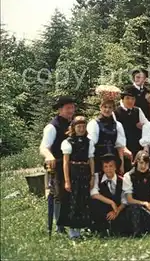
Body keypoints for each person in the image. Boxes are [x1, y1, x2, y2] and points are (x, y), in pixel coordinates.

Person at [39, 95, 76, 233]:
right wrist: (49, 156)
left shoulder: (74, 124)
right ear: (60, 110)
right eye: (68, 108)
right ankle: (59, 226)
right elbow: (44, 147)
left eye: (72, 108)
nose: (71, 110)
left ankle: (74, 223)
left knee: (73, 194)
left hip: (73, 164)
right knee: (59, 196)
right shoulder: (52, 126)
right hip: (58, 165)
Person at [61, 116, 94, 239]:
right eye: (78, 126)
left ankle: (84, 226)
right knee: (73, 199)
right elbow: (65, 162)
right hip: (74, 172)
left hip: (85, 171)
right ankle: (73, 230)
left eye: (83, 126)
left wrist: (92, 176)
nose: (81, 129)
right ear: (74, 128)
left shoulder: (89, 142)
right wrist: (67, 181)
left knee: (84, 199)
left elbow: (91, 160)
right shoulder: (68, 142)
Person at [88, 85, 126, 173]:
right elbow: (90, 146)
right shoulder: (94, 124)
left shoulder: (117, 125)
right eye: (105, 107)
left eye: (110, 107)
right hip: (98, 159)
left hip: (113, 159)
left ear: (113, 109)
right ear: (100, 108)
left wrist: (121, 165)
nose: (107, 110)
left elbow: (120, 147)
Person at [123, 150, 150, 237]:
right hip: (133, 208)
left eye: (146, 163)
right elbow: (129, 199)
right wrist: (145, 204)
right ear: (136, 162)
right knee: (135, 209)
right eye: (141, 163)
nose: (143, 166)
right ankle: (136, 233)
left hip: (148, 208)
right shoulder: (129, 176)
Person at [90, 153, 127, 237]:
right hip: (103, 207)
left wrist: (116, 211)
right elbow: (93, 194)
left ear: (115, 167)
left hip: (118, 209)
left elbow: (125, 200)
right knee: (94, 203)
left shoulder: (122, 180)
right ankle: (100, 230)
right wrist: (111, 202)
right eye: (106, 167)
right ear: (102, 168)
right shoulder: (97, 177)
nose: (108, 169)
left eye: (111, 166)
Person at [114, 85, 149, 171]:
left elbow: (147, 127)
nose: (130, 101)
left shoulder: (138, 110)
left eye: (133, 99)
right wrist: (123, 148)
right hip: (123, 149)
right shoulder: (116, 112)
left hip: (137, 147)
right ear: (123, 99)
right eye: (128, 98)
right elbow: (116, 133)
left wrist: (145, 147)